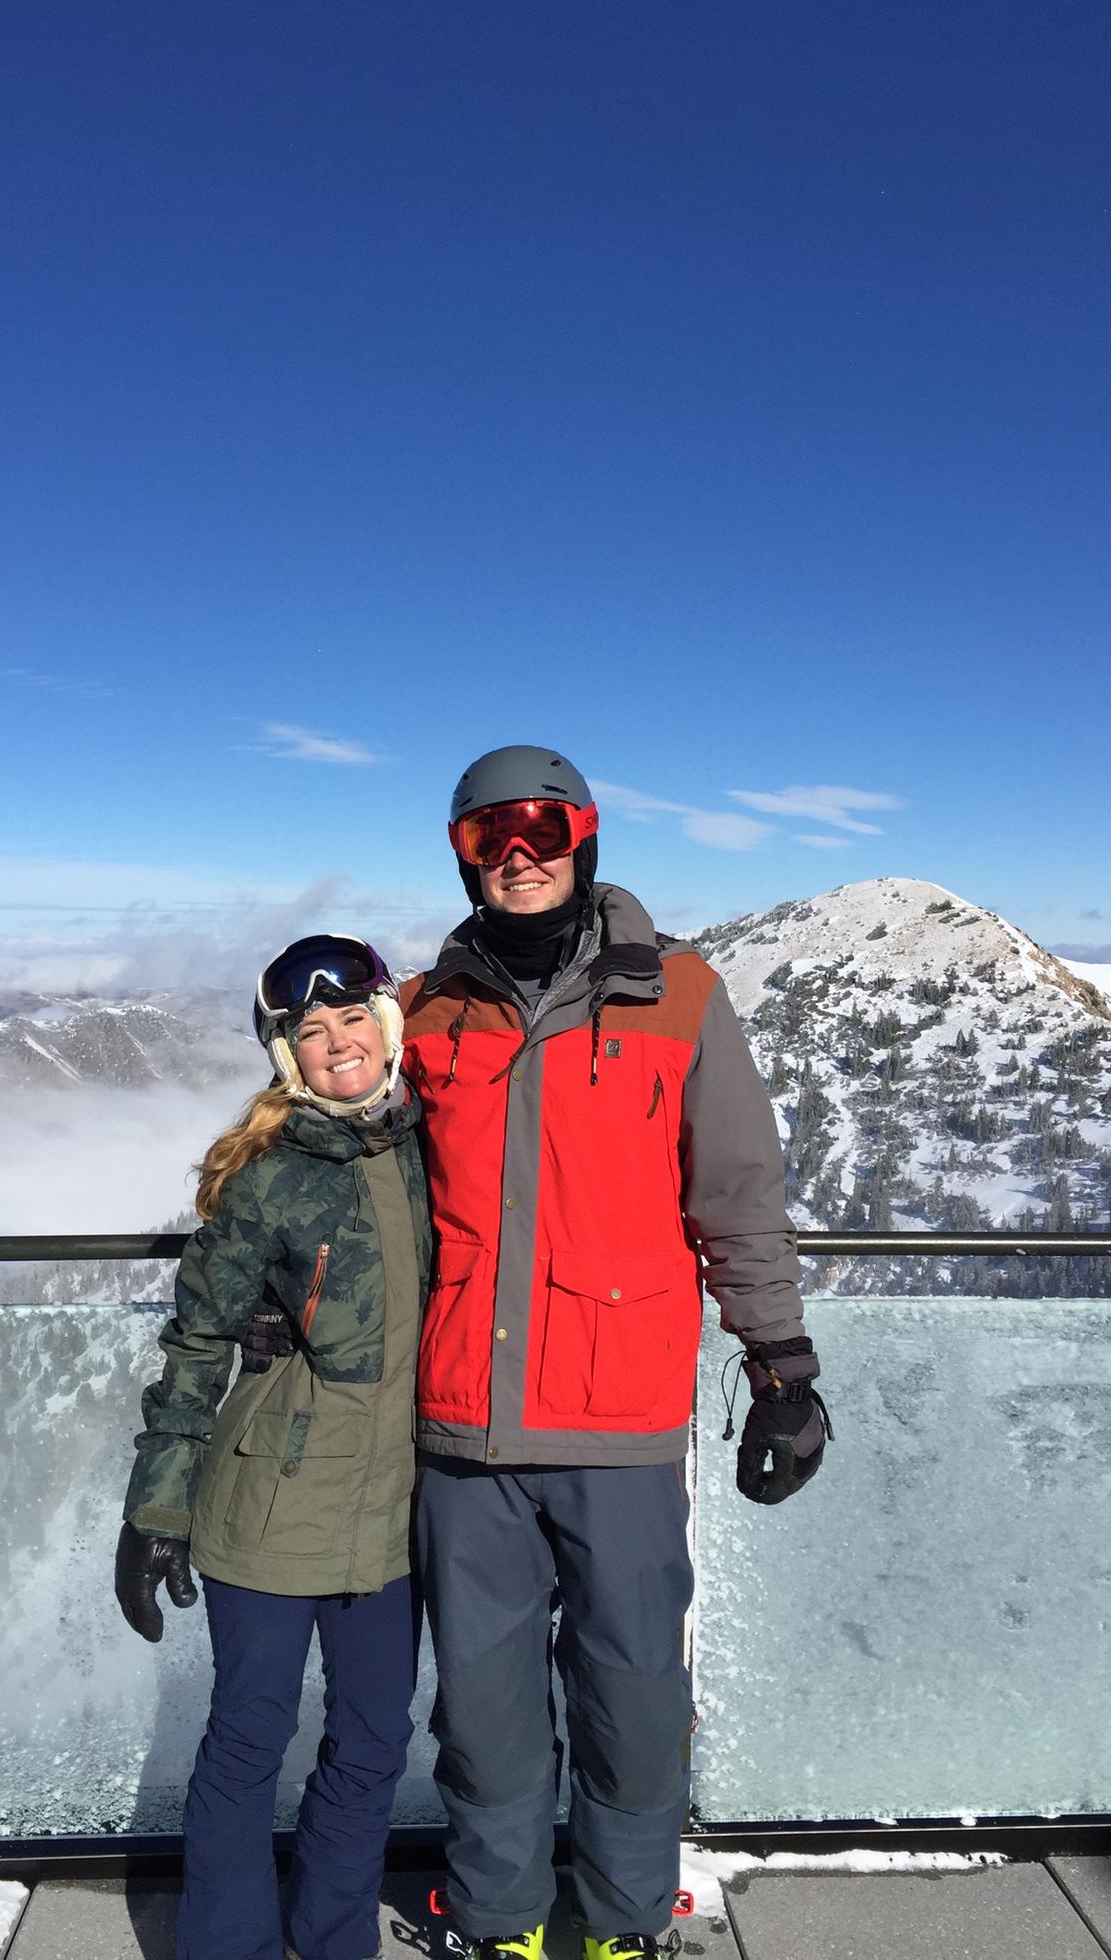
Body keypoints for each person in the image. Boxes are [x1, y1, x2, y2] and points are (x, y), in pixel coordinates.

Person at [398, 746, 830, 1960]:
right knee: (481, 1703)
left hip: (618, 1415)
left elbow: (737, 1192)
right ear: (465, 855)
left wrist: (781, 1365)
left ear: (584, 834)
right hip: (463, 1420)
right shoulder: (430, 1006)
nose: (517, 852)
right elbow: (361, 1184)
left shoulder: (677, 993)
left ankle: (627, 1922)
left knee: (634, 1688)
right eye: (488, 835)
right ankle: (503, 1920)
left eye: (537, 825)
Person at [114, 933, 430, 1960]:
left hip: (393, 1506)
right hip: (270, 1497)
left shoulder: (439, 1145)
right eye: (311, 1027)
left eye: (352, 1018)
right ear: (288, 1053)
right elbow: (197, 1342)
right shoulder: (267, 1175)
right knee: (250, 1735)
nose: (337, 1039)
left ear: (383, 1029)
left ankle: (334, 1936)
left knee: (376, 1738)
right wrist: (157, 1505)